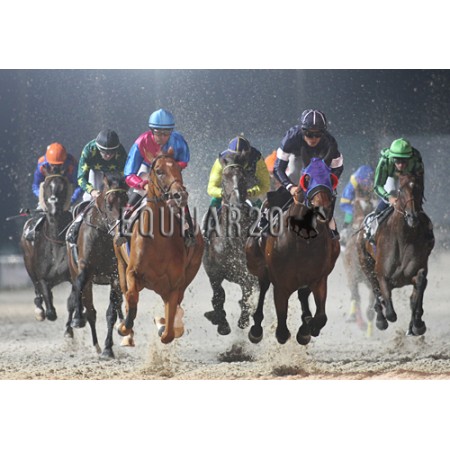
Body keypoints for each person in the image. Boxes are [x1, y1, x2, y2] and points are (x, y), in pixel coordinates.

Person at [122, 108, 194, 245]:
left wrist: (170, 168)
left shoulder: (178, 139)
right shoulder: (141, 141)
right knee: (138, 194)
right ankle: (123, 224)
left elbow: (184, 161)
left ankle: (189, 231)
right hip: (147, 169)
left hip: (168, 170)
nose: (162, 138)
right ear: (151, 130)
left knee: (180, 195)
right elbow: (129, 174)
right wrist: (143, 184)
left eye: (166, 133)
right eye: (158, 133)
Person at [273, 109, 344, 239]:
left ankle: (330, 223)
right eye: (309, 134)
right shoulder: (291, 138)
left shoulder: (330, 142)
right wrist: (290, 187)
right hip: (297, 159)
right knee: (294, 174)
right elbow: (278, 168)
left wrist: (327, 185)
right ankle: (269, 219)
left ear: (323, 133)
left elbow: (338, 168)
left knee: (328, 192)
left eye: (318, 134)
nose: (313, 139)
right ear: (302, 130)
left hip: (321, 164)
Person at [66, 129, 127, 244]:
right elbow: (81, 178)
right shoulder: (89, 150)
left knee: (119, 199)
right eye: (104, 151)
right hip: (95, 172)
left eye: (112, 152)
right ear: (98, 148)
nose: (108, 155)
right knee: (88, 198)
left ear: (116, 149)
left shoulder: (121, 152)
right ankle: (75, 228)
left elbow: (126, 175)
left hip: (114, 174)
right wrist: (92, 191)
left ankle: (125, 227)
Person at [203, 136, 270, 235]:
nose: (238, 160)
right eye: (234, 157)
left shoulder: (257, 159)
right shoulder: (221, 161)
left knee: (262, 210)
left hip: (249, 191)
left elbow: (265, 185)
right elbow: (211, 188)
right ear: (229, 155)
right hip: (227, 192)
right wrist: (224, 193)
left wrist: (250, 192)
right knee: (213, 204)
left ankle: (264, 233)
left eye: (242, 158)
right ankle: (205, 233)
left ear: (248, 155)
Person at [364, 138, 425, 242]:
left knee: (412, 199)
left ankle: (426, 231)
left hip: (408, 178)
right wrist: (389, 197)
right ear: (392, 158)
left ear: (410, 158)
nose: (401, 165)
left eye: (404, 161)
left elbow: (420, 183)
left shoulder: (416, 161)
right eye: (397, 161)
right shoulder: (385, 161)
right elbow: (377, 186)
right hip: (391, 177)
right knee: (391, 191)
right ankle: (373, 224)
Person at [25, 142, 83, 241]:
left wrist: (72, 200)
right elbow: (35, 186)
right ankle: (33, 228)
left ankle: (76, 235)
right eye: (52, 165)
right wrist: (44, 199)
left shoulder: (72, 164)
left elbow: (79, 185)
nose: (55, 168)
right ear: (48, 161)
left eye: (59, 165)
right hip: (48, 193)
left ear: (64, 161)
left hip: (67, 193)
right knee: (41, 209)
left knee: (76, 213)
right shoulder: (42, 164)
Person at [339, 164, 374, 245]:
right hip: (352, 205)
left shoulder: (373, 182)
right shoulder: (351, 186)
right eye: (364, 182)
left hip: (368, 205)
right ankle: (344, 232)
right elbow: (344, 203)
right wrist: (354, 208)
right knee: (353, 211)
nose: (366, 185)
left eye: (368, 181)